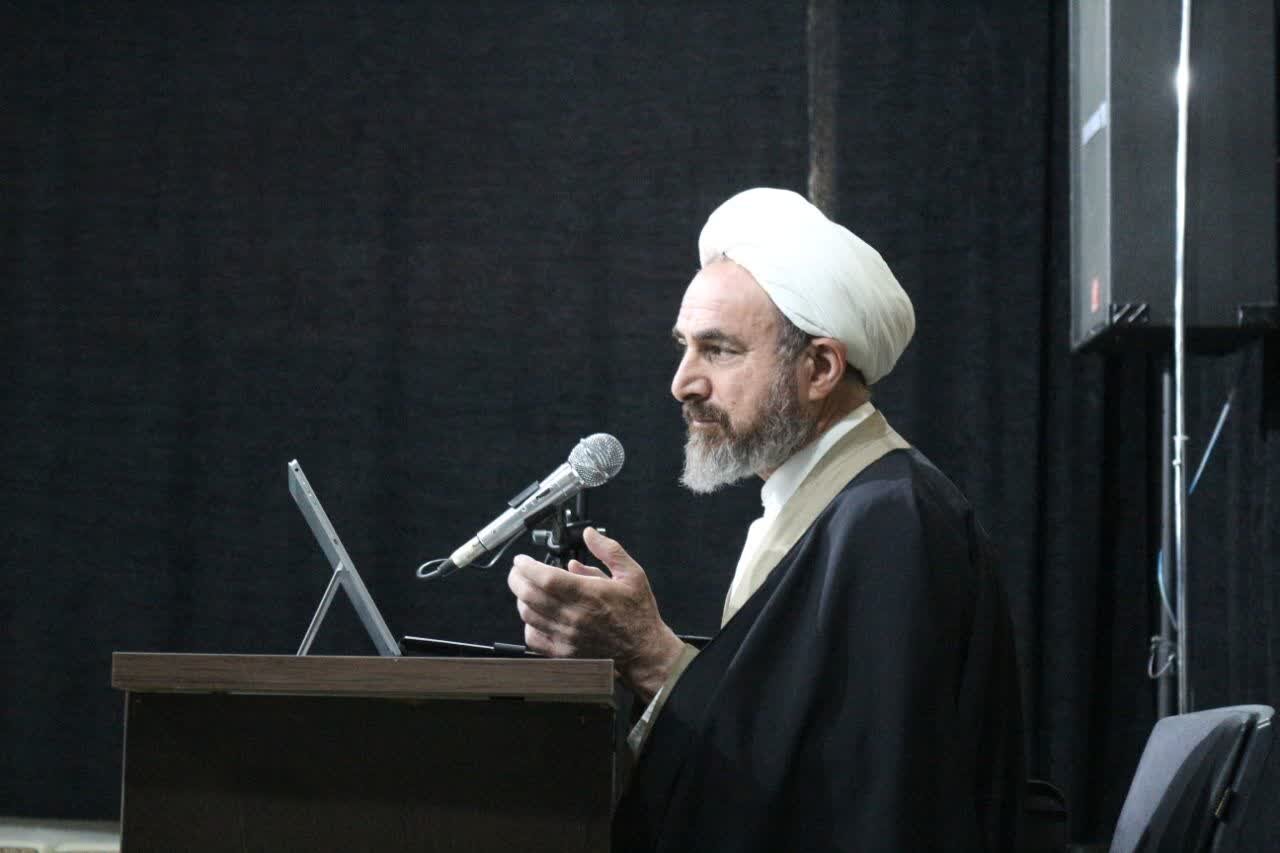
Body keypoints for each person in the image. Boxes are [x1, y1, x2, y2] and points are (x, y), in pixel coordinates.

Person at [507, 188, 1025, 851]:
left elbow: (856, 799)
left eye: (718, 350)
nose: (683, 382)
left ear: (821, 367)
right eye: (683, 347)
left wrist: (653, 655)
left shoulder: (891, 521)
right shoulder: (832, 507)